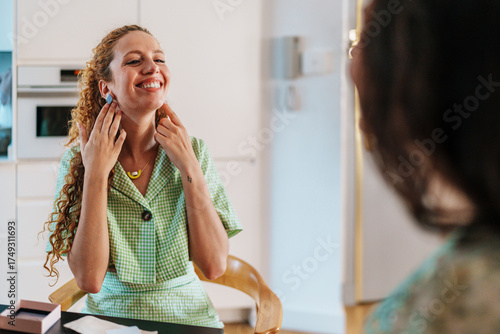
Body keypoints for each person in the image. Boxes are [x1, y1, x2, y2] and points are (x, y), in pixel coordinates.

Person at [43, 25, 242, 328]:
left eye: (159, 59)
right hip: (110, 320)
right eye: (134, 61)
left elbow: (214, 265)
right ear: (106, 88)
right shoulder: (79, 161)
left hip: (188, 320)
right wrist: (96, 173)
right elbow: (89, 279)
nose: (152, 68)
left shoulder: (194, 151)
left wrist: (189, 167)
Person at [351, 0, 500, 333]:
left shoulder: (462, 304)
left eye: (368, 38)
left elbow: (217, 264)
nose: (356, 63)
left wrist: (201, 188)